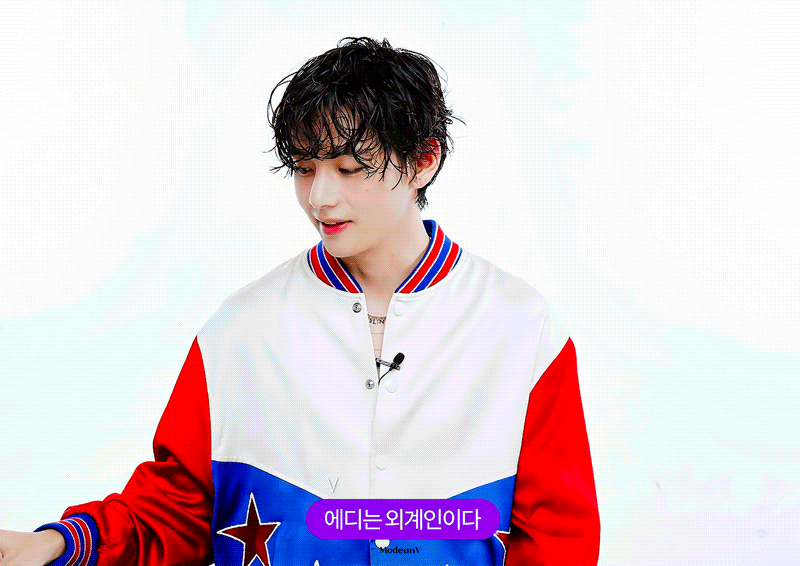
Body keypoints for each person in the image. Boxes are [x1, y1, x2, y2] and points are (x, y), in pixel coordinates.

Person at [0, 37, 600, 566]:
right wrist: (56, 544)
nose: (320, 197)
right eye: (305, 168)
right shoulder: (240, 330)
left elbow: (560, 538)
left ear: (424, 160)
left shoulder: (519, 328)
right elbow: (175, 511)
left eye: (348, 167)